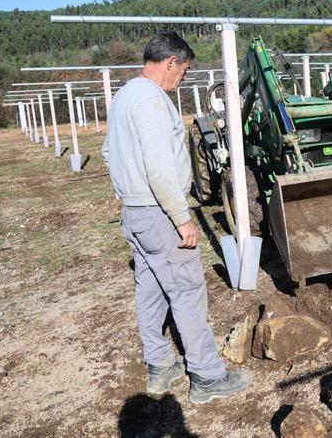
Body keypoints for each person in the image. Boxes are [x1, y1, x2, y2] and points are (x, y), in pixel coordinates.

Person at [102, 32, 253, 403]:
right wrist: (181, 217)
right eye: (183, 71)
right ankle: (207, 377)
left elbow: (108, 152)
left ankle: (160, 364)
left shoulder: (124, 96)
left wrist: (127, 193)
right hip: (157, 212)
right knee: (186, 290)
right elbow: (159, 167)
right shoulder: (151, 101)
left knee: (150, 288)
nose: (182, 79)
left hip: (135, 213)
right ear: (171, 62)